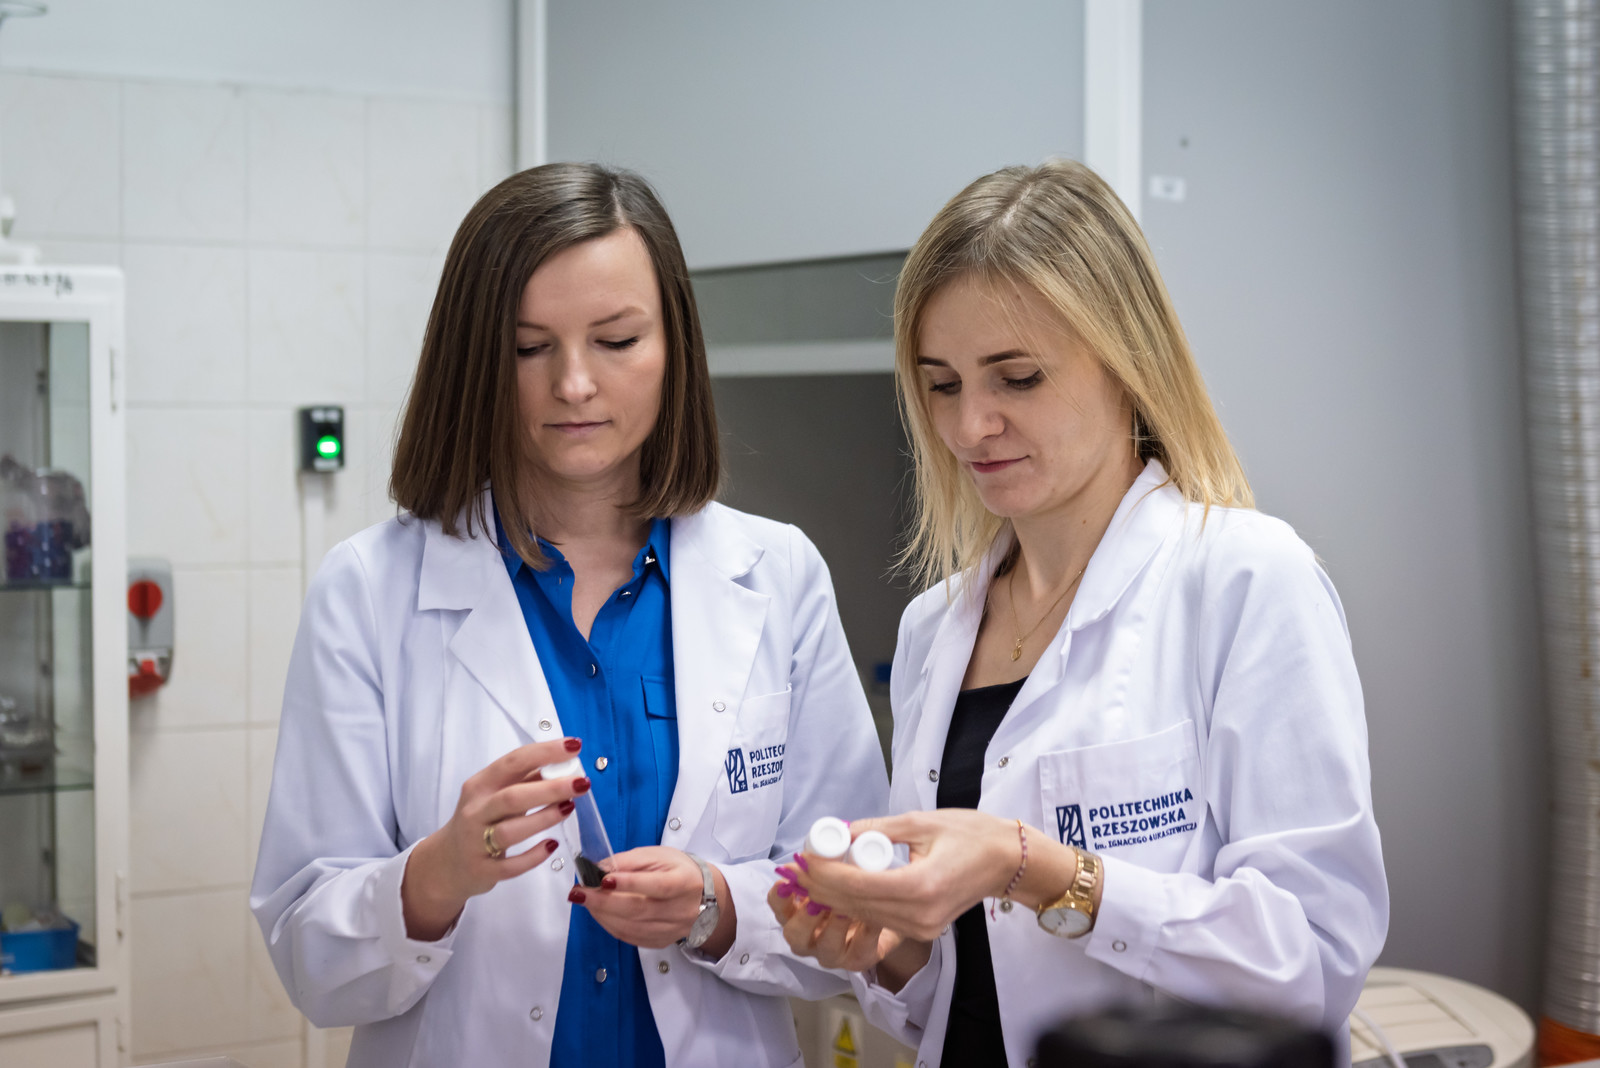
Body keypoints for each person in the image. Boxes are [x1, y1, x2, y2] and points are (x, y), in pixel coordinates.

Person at [251, 162, 889, 1068]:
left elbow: (856, 901)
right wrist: (436, 876)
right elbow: (310, 955)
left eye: (617, 339)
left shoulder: (777, 576)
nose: (575, 384)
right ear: (473, 362)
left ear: (673, 346)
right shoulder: (367, 591)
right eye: (528, 348)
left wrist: (717, 907)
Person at [768, 159, 1388, 1066]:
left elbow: (1314, 963)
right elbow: (955, 995)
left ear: (1128, 362)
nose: (970, 427)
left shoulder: (1247, 580)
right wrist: (880, 949)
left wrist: (1035, 867)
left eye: (1017, 378)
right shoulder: (934, 630)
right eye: (943, 384)